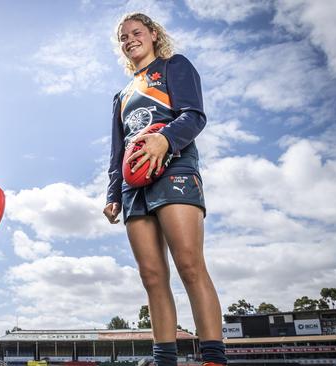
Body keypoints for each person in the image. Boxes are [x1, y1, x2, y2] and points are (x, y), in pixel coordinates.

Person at [103, 13, 228, 366]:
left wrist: (165, 140)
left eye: (136, 33)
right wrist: (113, 194)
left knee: (189, 264)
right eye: (123, 37)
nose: (129, 40)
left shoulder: (175, 67)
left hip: (174, 169)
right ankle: (165, 360)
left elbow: (194, 115)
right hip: (133, 187)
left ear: (154, 35)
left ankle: (214, 358)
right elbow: (117, 151)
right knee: (152, 276)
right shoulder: (121, 95)